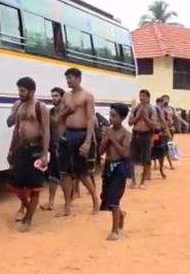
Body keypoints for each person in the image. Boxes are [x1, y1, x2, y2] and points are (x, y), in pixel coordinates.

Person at [6, 77, 50, 231]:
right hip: (21, 149)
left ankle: (28, 219)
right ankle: (28, 208)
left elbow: (46, 131)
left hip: (35, 149)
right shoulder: (19, 106)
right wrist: (11, 149)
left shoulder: (40, 107)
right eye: (19, 90)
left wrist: (45, 154)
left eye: (23, 91)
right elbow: (15, 129)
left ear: (31, 91)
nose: (20, 93)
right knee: (16, 186)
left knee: (34, 187)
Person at [57, 68, 100, 216]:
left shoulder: (87, 96)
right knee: (65, 172)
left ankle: (95, 198)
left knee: (82, 172)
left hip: (81, 135)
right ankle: (67, 205)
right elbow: (60, 118)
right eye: (67, 78)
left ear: (78, 78)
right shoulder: (66, 97)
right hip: (67, 135)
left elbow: (90, 119)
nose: (68, 80)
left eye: (71, 78)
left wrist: (87, 141)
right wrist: (60, 135)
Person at [99, 103, 131, 241]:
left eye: (114, 116)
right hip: (108, 166)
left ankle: (114, 230)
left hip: (119, 168)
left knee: (114, 199)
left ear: (122, 118)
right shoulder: (108, 132)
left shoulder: (126, 134)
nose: (111, 118)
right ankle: (120, 215)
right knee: (106, 198)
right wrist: (105, 141)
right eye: (110, 115)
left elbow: (125, 153)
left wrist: (113, 140)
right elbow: (100, 152)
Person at [40, 87, 65, 212]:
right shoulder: (50, 113)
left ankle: (68, 204)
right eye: (52, 96)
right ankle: (51, 202)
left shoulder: (66, 112)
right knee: (52, 176)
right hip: (54, 147)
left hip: (65, 148)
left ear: (62, 97)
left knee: (67, 177)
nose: (54, 98)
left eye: (56, 95)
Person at [128, 89, 156, 189]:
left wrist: (145, 118)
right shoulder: (135, 109)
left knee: (146, 160)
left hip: (146, 135)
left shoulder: (151, 109)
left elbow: (153, 125)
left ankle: (142, 182)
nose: (142, 98)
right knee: (131, 158)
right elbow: (130, 123)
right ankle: (133, 181)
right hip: (136, 134)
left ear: (148, 98)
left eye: (144, 96)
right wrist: (138, 117)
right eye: (141, 96)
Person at [160, 95, 188, 169]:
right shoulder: (160, 109)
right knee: (164, 146)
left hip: (171, 129)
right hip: (163, 130)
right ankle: (168, 163)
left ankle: (167, 162)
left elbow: (177, 117)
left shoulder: (171, 108)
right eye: (164, 99)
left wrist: (184, 122)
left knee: (169, 145)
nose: (166, 100)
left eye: (167, 99)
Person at [151, 98, 169, 179]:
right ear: (160, 102)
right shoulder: (158, 109)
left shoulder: (154, 108)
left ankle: (152, 170)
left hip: (154, 132)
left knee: (152, 151)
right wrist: (166, 129)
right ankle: (161, 171)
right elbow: (162, 120)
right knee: (160, 152)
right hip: (158, 133)